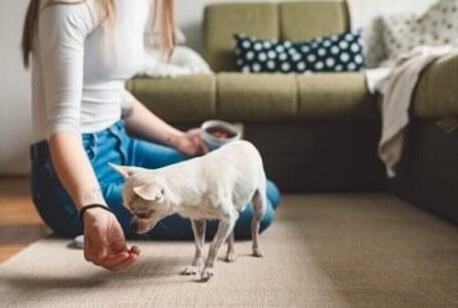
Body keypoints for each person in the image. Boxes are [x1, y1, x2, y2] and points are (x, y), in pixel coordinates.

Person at [22, 0, 281, 272]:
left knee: (265, 191)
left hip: (120, 143)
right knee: (255, 214)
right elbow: (62, 129)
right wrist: (92, 207)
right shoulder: (69, 6)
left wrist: (179, 139)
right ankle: (85, 220)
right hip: (72, 171)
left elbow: (113, 92)